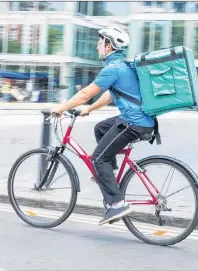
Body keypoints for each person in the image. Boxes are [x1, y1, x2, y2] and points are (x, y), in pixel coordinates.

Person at [51, 26, 155, 225]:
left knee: (98, 158)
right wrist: (90, 110)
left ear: (109, 45)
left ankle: (116, 204)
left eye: (100, 43)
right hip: (141, 120)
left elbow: (84, 94)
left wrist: (61, 108)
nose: (97, 47)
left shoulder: (112, 69)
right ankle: (109, 172)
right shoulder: (123, 66)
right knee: (100, 128)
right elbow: (109, 95)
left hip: (133, 122)